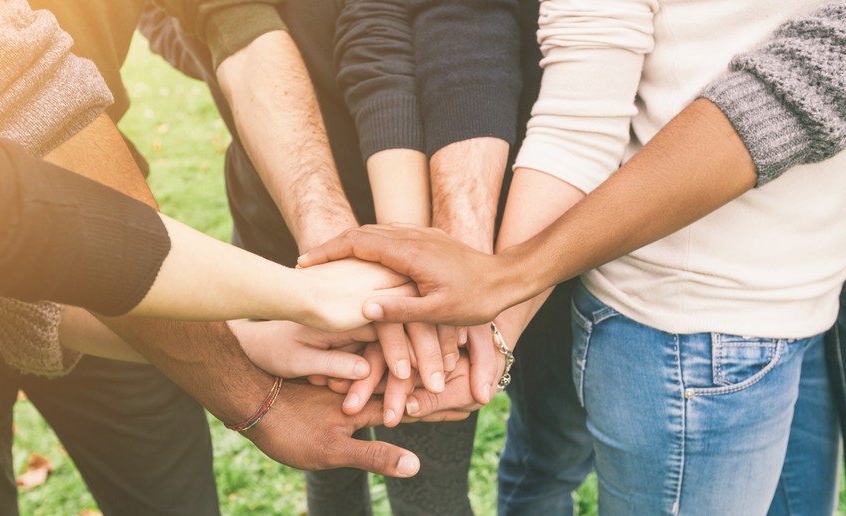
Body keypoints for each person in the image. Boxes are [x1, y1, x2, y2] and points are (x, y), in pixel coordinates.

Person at [0, 3, 433, 514]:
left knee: (173, 495)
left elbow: (236, 21)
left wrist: (328, 244)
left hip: (118, 259)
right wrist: (284, 313)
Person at [302, 2, 846, 514]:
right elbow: (576, 121)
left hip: (811, 288)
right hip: (700, 326)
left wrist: (496, 294)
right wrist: (493, 308)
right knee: (545, 452)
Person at [139, 0, 525, 512]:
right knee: (323, 446)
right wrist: (210, 50)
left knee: (422, 468)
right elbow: (160, 15)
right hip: (277, 228)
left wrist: (404, 243)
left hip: (414, 221)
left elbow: (389, 28)